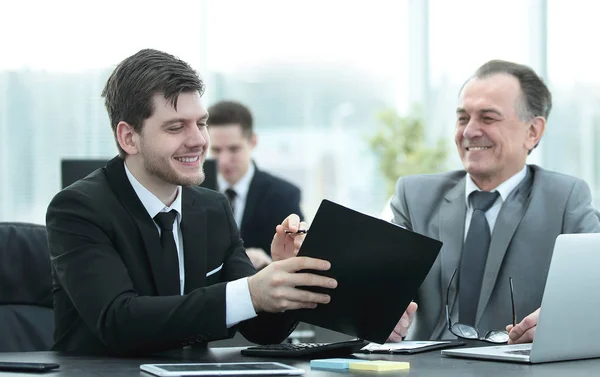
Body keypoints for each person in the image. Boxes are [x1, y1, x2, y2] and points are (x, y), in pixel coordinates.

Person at [45, 49, 337, 356]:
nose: (198, 140)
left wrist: (282, 277)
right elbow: (119, 320)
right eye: (175, 127)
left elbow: (260, 329)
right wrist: (249, 293)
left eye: (201, 123)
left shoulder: (213, 208)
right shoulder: (77, 209)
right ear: (129, 138)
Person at [388, 59, 600, 343]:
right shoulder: (414, 196)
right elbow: (379, 286)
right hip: (426, 365)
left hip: (516, 364)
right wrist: (378, 313)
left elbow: (592, 295)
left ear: (533, 132)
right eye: (463, 118)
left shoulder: (565, 199)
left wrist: (566, 321)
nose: (469, 131)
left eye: (488, 118)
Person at [207, 101, 303, 270]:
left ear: (253, 141)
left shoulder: (283, 196)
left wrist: (269, 262)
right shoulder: (189, 191)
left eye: (234, 149)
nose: (223, 161)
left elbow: (297, 259)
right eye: (216, 150)